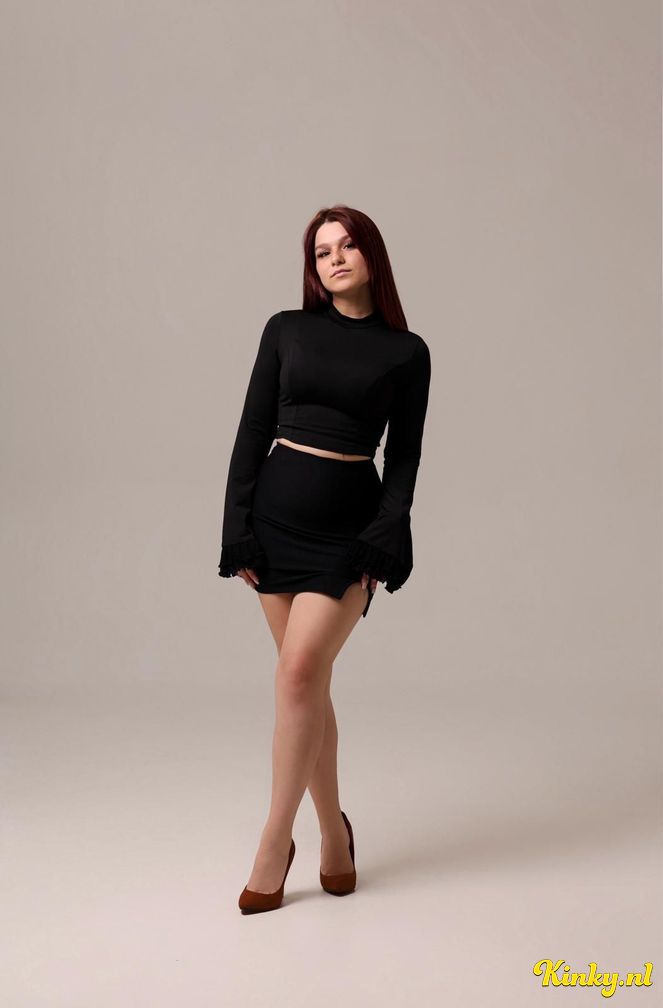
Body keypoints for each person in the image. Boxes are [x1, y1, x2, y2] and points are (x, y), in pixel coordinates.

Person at [217, 204, 432, 913]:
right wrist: (236, 528)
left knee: (298, 672)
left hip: (346, 533)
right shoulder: (286, 329)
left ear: (371, 255)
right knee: (304, 687)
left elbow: (404, 458)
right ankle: (334, 832)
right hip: (274, 522)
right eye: (320, 251)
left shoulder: (406, 352)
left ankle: (274, 842)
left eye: (346, 246)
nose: (333, 259)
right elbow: (252, 428)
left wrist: (385, 534)